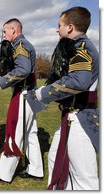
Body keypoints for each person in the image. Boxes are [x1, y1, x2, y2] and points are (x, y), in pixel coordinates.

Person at [35, 7, 99, 190]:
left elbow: (79, 81)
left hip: (81, 117)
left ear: (70, 27)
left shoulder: (81, 48)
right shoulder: (78, 46)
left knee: (83, 177)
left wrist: (44, 93)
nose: (57, 29)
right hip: (72, 116)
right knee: (56, 158)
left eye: (59, 25)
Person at [0, 18, 44, 183]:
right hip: (28, 92)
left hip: (23, 93)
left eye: (5, 31)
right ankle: (35, 169)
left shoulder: (20, 45)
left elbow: (23, 70)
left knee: (14, 132)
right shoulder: (22, 44)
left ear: (14, 30)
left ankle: (4, 174)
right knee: (30, 133)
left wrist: (0, 81)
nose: (3, 35)